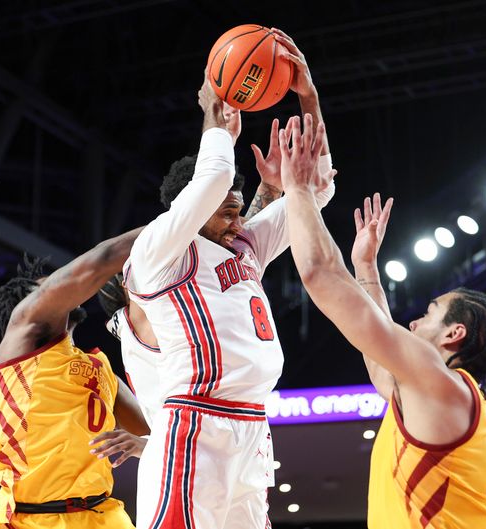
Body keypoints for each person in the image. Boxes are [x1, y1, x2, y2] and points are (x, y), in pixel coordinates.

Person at [124, 32, 335, 529]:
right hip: (194, 425)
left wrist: (309, 97)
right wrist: (214, 119)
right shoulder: (158, 252)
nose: (239, 224)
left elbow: (316, 190)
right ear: (189, 210)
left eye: (242, 214)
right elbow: (214, 178)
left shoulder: (242, 247)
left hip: (251, 429)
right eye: (228, 216)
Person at [279, 116, 486, 529]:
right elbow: (378, 360)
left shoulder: (445, 387)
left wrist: (298, 189)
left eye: (429, 314)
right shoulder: (448, 398)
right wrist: (366, 268)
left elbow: (319, 273)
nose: (413, 323)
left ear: (454, 334)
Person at [89, 142, 286, 466]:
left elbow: (233, 243)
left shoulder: (190, 288)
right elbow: (203, 229)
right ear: (128, 285)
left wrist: (269, 190)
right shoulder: (145, 299)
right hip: (193, 445)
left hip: (235, 438)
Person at [0, 230, 150, 529]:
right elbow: (102, 259)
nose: (59, 289)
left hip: (104, 514)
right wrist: (182, 217)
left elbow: (155, 431)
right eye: (46, 288)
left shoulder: (101, 367)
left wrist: (141, 446)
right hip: (36, 517)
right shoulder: (22, 348)